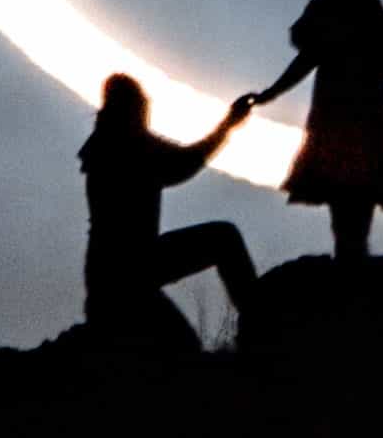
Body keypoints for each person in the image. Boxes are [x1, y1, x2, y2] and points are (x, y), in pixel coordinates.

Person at [242, 0, 383, 274]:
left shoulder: (352, 10)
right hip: (349, 114)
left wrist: (274, 92)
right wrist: (272, 93)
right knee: (349, 190)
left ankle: (351, 258)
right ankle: (351, 256)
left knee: (352, 188)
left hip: (353, 115)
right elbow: (310, 55)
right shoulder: (349, 8)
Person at [77, 73, 260, 346]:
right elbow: (185, 163)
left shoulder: (109, 144)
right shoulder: (128, 146)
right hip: (129, 274)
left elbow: (182, 160)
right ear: (132, 108)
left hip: (116, 275)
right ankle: (261, 323)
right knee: (223, 238)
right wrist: (227, 126)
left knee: (183, 347)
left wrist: (227, 125)